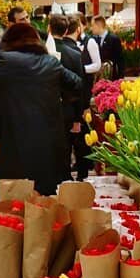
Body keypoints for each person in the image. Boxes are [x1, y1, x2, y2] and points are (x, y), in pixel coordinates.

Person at [0, 22, 83, 197]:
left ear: (8, 42)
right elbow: (77, 85)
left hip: (14, 144)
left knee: (12, 203)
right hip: (50, 146)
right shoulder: (51, 63)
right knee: (46, 204)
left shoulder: (5, 63)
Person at [51, 15, 85, 181]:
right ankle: (64, 182)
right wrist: (78, 118)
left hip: (46, 108)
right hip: (68, 109)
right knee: (65, 149)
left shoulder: (43, 52)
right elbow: (79, 88)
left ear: (49, 29)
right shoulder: (75, 54)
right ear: (66, 31)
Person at [91, 15, 125, 81]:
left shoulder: (114, 39)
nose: (91, 28)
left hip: (112, 77)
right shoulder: (93, 39)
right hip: (98, 78)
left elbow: (120, 59)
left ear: (99, 26)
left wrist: (120, 77)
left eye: (93, 25)